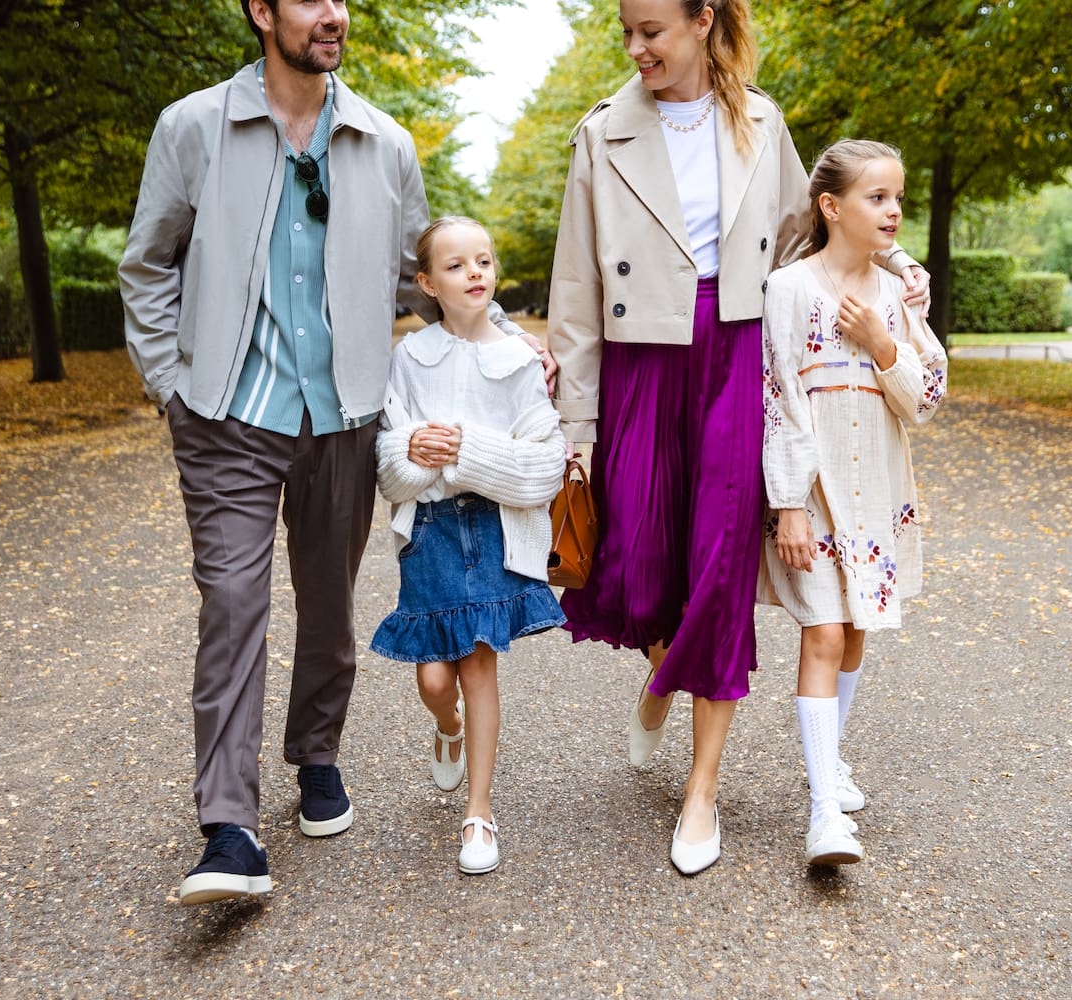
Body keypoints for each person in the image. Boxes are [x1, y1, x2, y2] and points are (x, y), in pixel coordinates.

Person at [119, 0, 539, 905]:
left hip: (346, 413)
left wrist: (501, 335)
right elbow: (148, 263)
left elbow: (419, 274)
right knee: (233, 603)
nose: (334, 13)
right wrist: (172, 387)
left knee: (327, 602)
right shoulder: (192, 126)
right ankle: (228, 829)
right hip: (226, 412)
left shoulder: (384, 144)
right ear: (262, 12)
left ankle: (316, 756)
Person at [548, 0, 929, 875]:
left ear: (703, 19)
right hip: (642, 356)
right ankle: (660, 671)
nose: (638, 48)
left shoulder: (762, 118)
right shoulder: (601, 133)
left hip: (739, 350)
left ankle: (701, 793)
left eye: (653, 31)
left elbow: (813, 231)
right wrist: (579, 423)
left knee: (719, 571)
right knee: (636, 567)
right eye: (628, 34)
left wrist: (898, 266)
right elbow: (574, 283)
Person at [760, 139, 948, 866]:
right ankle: (822, 815)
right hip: (815, 493)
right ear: (831, 206)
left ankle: (829, 759)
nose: (894, 210)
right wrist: (789, 505)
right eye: (878, 197)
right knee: (824, 636)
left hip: (880, 498)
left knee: (859, 629)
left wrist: (884, 343)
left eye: (899, 197)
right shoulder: (789, 290)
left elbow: (926, 401)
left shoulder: (897, 296)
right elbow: (775, 398)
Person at [369, 217, 568, 876]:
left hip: (493, 530)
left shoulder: (519, 361)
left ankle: (478, 812)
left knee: (479, 668)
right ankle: (447, 726)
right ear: (426, 283)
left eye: (483, 260)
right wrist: (415, 453)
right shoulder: (409, 358)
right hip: (428, 532)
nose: (475, 273)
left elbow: (543, 468)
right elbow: (390, 466)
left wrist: (465, 450)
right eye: (456, 266)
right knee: (433, 678)